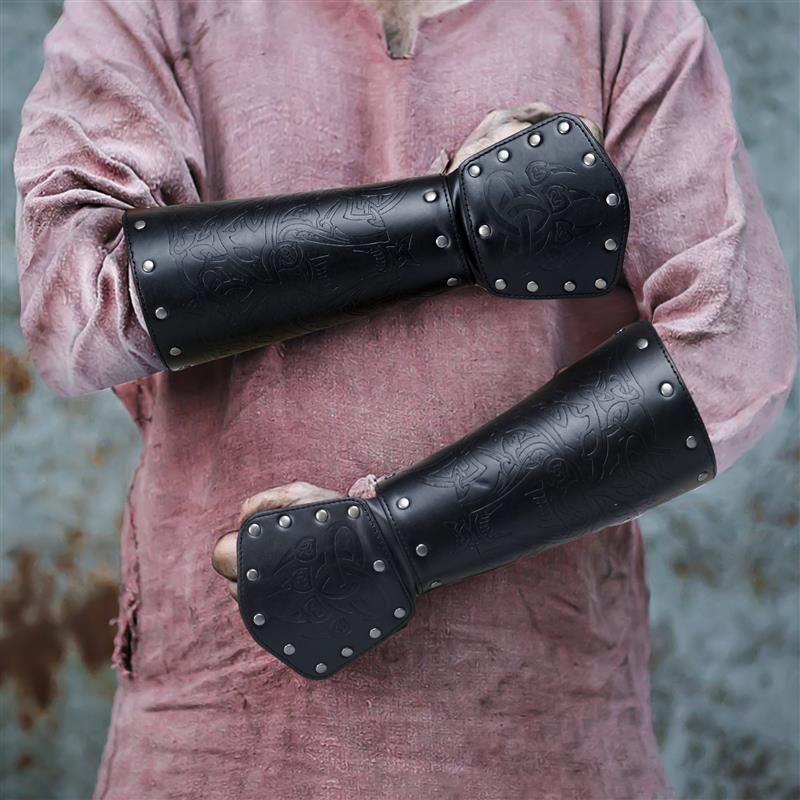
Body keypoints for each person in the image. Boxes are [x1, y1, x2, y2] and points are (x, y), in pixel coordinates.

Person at [14, 0, 796, 798]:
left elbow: (731, 350)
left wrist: (392, 539)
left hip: (539, 728)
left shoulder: (621, 15)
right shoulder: (154, 10)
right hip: (224, 731)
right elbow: (71, 300)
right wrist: (464, 221)